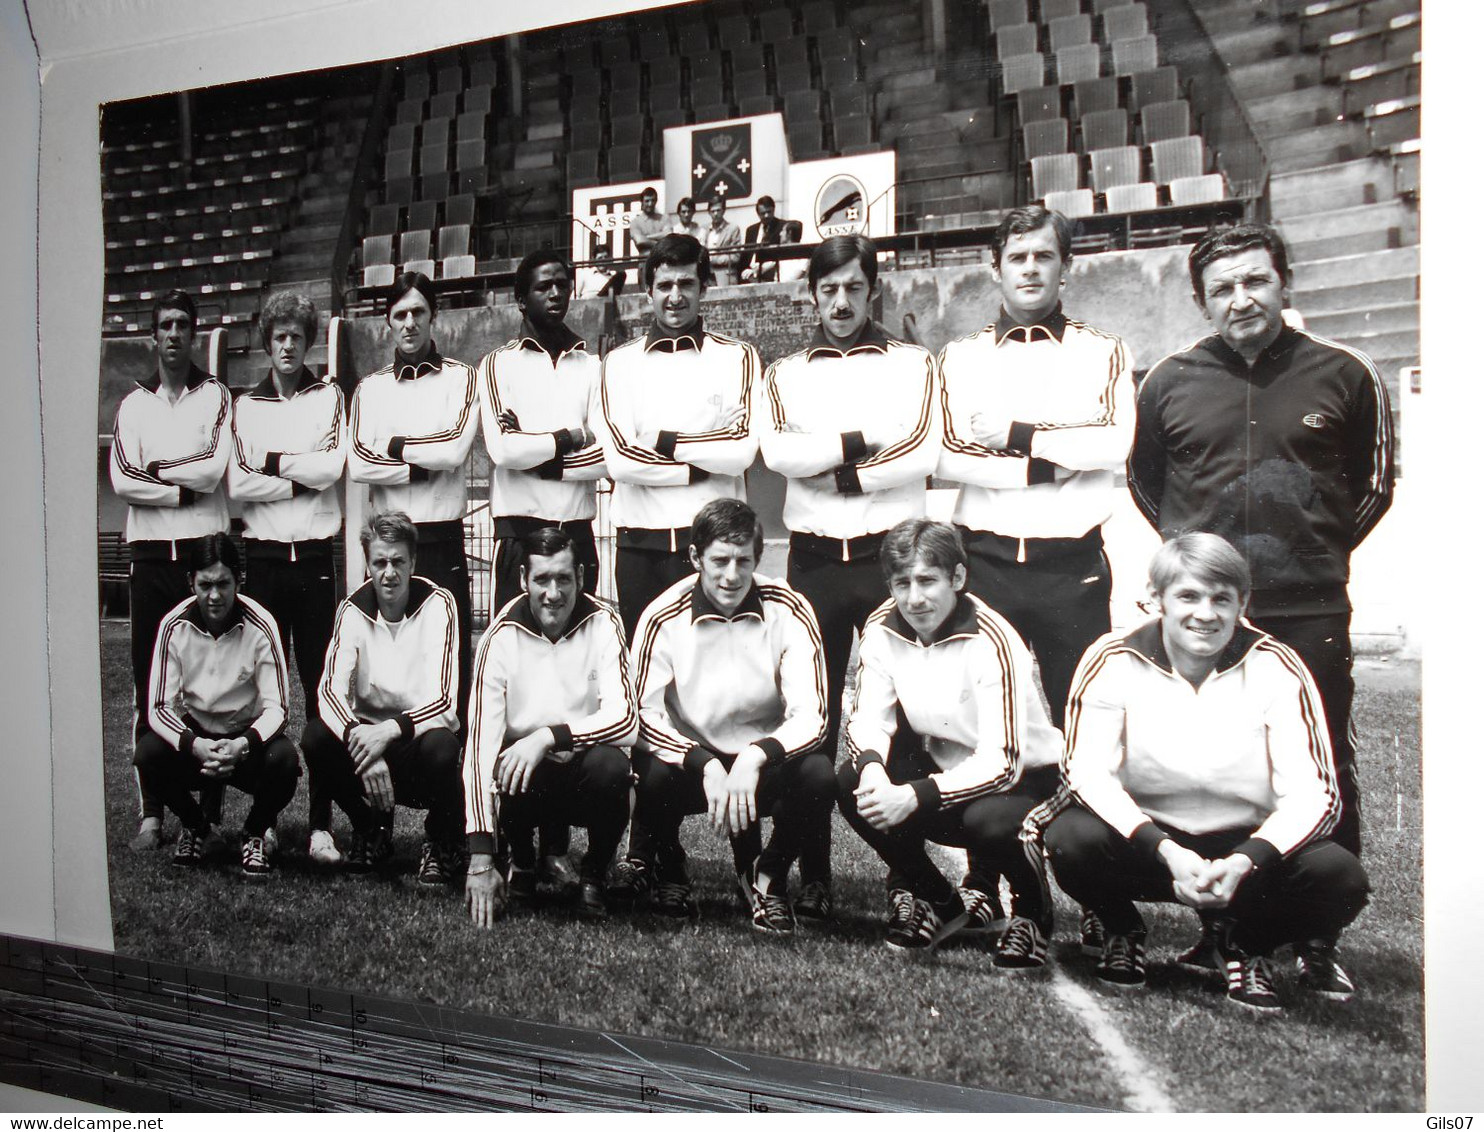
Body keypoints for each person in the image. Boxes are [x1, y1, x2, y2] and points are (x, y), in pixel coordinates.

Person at [1126, 222, 1394, 993]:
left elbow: (1372, 488)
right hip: (1207, 619)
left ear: (1285, 282)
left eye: (1255, 281)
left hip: (1309, 611)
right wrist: (1205, 578)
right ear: (1201, 301)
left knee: (1320, 768)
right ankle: (1225, 934)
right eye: (1222, 289)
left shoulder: (1346, 373)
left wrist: (1305, 555)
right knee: (1212, 766)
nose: (1241, 299)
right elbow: (1150, 485)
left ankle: (1313, 938)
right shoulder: (1168, 381)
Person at [1040, 533, 1370, 1010]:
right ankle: (1121, 928)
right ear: (1156, 598)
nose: (1206, 613)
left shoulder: (1277, 665)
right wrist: (1167, 851)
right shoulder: (1113, 657)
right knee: (1071, 838)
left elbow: (1315, 794)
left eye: (1222, 599)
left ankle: (1246, 946)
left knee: (1340, 878)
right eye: (1188, 596)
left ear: (1243, 603)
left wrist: (1245, 860)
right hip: (1150, 841)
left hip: (1245, 842)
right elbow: (1085, 773)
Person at [756, 234, 941, 920]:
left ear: (873, 291)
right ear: (812, 295)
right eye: (827, 289)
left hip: (887, 557)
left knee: (909, 716)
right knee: (816, 719)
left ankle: (906, 876)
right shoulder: (785, 373)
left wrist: (836, 466)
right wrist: (866, 440)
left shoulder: (913, 362)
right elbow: (778, 453)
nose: (840, 302)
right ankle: (815, 870)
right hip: (813, 561)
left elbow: (922, 448)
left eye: (853, 288)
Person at [839, 520, 1062, 961]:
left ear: (957, 578)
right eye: (902, 583)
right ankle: (940, 902)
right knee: (852, 782)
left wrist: (913, 796)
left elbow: (1004, 762)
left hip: (1023, 782)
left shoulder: (992, 638)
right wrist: (874, 772)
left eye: (927, 581)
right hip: (947, 771)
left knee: (990, 823)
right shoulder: (881, 627)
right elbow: (867, 719)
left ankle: (1031, 916)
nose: (914, 598)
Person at [626, 499, 833, 932]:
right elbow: (640, 715)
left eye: (744, 561)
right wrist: (701, 763)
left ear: (758, 558)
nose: (732, 575)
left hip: (759, 763)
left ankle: (767, 874)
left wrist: (757, 756)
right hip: (693, 762)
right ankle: (670, 869)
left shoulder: (790, 608)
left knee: (818, 773)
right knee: (648, 771)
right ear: (695, 557)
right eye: (719, 560)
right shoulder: (663, 614)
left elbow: (812, 715)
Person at [462, 527, 638, 927]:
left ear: (580, 574)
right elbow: (478, 750)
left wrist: (549, 736)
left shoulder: (604, 623)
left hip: (581, 769)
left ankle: (593, 874)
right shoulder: (500, 636)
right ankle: (522, 863)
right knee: (505, 761)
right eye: (542, 579)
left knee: (612, 767)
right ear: (524, 579)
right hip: (526, 779)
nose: (553, 593)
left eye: (563, 579)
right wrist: (480, 857)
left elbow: (626, 720)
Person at [109, 289, 231, 851]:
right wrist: (178, 486)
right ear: (153, 336)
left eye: (183, 324)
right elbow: (121, 480)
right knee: (150, 682)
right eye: (165, 326)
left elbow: (213, 470)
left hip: (205, 552)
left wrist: (158, 472)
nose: (174, 334)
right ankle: (152, 813)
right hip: (152, 556)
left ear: (194, 332)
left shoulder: (217, 396)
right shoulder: (133, 405)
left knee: (209, 682)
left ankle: (204, 811)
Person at [227, 290, 346, 866]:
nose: (289, 345)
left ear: (309, 340)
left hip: (317, 559)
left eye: (298, 336)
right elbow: (239, 485)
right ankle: (267, 820)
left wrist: (272, 463)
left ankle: (321, 822)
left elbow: (331, 468)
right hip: (266, 559)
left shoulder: (329, 397)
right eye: (279, 336)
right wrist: (295, 471)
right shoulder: (244, 405)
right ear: (267, 342)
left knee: (320, 689)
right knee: (267, 689)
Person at [591, 232, 759, 637]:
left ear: (704, 287)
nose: (675, 296)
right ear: (648, 291)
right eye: (665, 285)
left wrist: (662, 440)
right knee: (646, 672)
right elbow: (619, 461)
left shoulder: (737, 357)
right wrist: (703, 457)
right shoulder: (618, 364)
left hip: (714, 547)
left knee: (718, 671)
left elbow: (741, 452)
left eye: (686, 284)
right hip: (640, 547)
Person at [301, 511, 466, 885]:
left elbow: (444, 700)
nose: (389, 572)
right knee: (315, 737)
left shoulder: (439, 604)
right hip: (367, 741)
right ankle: (368, 829)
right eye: (379, 562)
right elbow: (328, 690)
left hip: (416, 740)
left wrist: (389, 732)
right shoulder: (351, 609)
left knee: (443, 745)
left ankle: (439, 841)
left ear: (413, 562)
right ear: (367, 563)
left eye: (397, 561)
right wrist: (360, 740)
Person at [347, 271, 479, 718]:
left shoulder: (461, 377)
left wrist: (397, 447)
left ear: (433, 316)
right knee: (392, 655)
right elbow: (361, 464)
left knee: (448, 654)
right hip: (390, 544)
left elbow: (456, 450)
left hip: (442, 538)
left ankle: (452, 756)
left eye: (418, 312)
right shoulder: (370, 388)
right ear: (387, 321)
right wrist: (425, 460)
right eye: (400, 314)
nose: (409, 323)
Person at [132, 534, 299, 877]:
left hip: (244, 739)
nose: (214, 595)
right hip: (199, 737)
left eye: (224, 583)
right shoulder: (173, 626)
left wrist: (242, 744)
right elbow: (158, 707)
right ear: (190, 582)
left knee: (284, 761)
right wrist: (195, 745)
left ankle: (254, 831)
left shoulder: (262, 624)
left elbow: (278, 708)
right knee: (147, 752)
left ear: (239, 581)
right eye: (204, 584)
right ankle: (198, 828)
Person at [477, 250, 607, 614]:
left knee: (578, 657)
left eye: (562, 285)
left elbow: (607, 455)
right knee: (516, 655)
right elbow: (504, 452)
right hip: (521, 535)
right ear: (521, 300)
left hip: (577, 531)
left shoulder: (591, 366)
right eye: (543, 287)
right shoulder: (498, 365)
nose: (555, 294)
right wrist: (572, 436)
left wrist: (541, 458)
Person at [739, 195, 784, 282]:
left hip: (768, 274)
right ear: (758, 213)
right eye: (763, 213)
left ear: (774, 209)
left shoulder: (781, 227)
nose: (766, 215)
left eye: (769, 212)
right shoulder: (751, 230)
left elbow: (781, 254)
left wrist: (758, 269)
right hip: (748, 274)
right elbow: (745, 255)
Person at [703, 194, 743, 286]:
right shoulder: (704, 229)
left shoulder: (732, 229)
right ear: (709, 212)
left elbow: (735, 255)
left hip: (725, 275)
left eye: (718, 210)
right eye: (713, 211)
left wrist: (714, 260)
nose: (716, 214)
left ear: (723, 211)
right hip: (707, 276)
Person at [628, 186, 668, 257]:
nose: (650, 204)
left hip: (662, 260)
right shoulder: (635, 222)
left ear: (656, 201)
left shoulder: (664, 218)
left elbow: (668, 235)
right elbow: (640, 241)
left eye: (653, 200)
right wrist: (661, 245)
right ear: (642, 202)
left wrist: (646, 237)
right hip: (645, 260)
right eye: (647, 201)